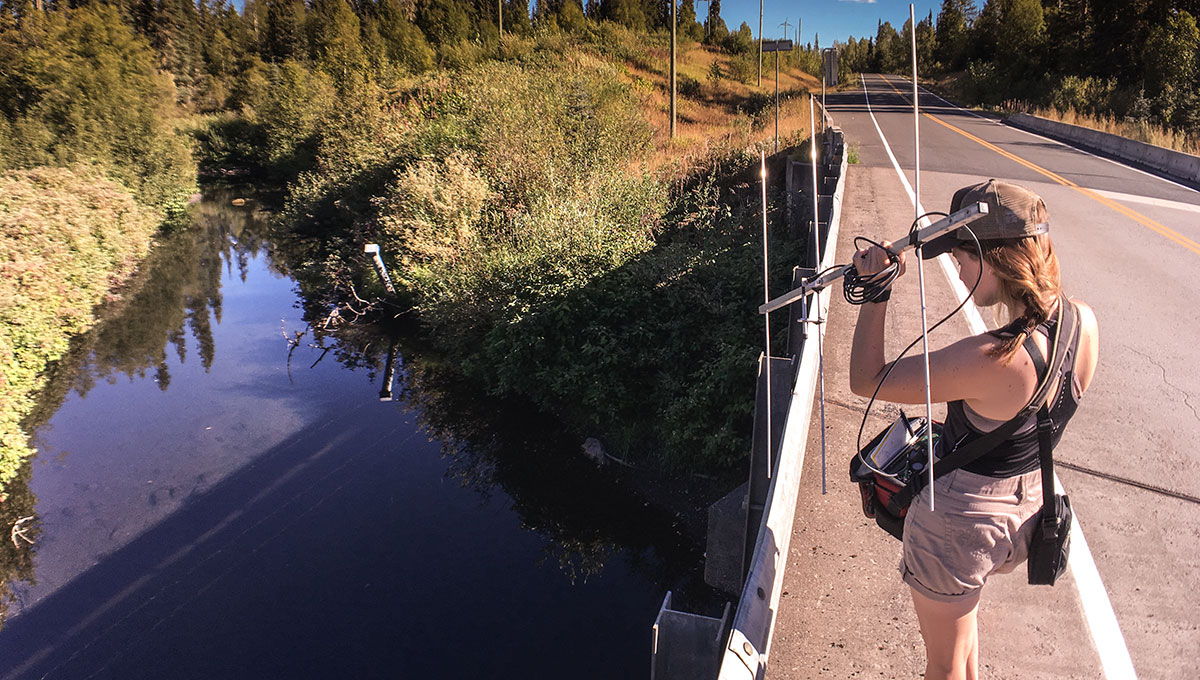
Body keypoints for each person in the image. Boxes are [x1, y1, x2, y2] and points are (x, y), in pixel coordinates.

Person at [847, 180, 1100, 680]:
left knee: (942, 667)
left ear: (994, 257)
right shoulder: (1081, 322)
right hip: (1022, 510)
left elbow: (865, 379)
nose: (958, 270)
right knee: (961, 649)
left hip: (958, 529)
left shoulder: (994, 359)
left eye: (961, 256)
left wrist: (877, 290)